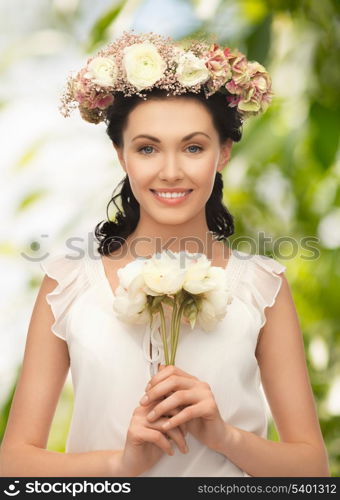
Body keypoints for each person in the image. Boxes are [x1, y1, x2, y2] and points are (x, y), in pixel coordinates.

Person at [0, 30, 330, 478]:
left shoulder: (262, 285)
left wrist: (223, 435)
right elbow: (13, 464)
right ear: (121, 155)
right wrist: (122, 464)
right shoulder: (68, 285)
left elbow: (309, 466)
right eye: (147, 148)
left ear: (224, 153)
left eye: (193, 147)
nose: (171, 172)